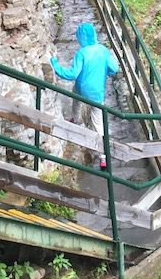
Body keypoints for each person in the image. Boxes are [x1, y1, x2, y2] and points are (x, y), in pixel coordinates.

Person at [50, 22, 119, 169]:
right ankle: (103, 157)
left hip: (82, 89)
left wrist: (55, 65)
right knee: (98, 123)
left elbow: (72, 74)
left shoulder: (81, 53)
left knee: (76, 94)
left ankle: (76, 118)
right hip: (97, 94)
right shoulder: (103, 50)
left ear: (80, 38)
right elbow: (114, 68)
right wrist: (106, 72)